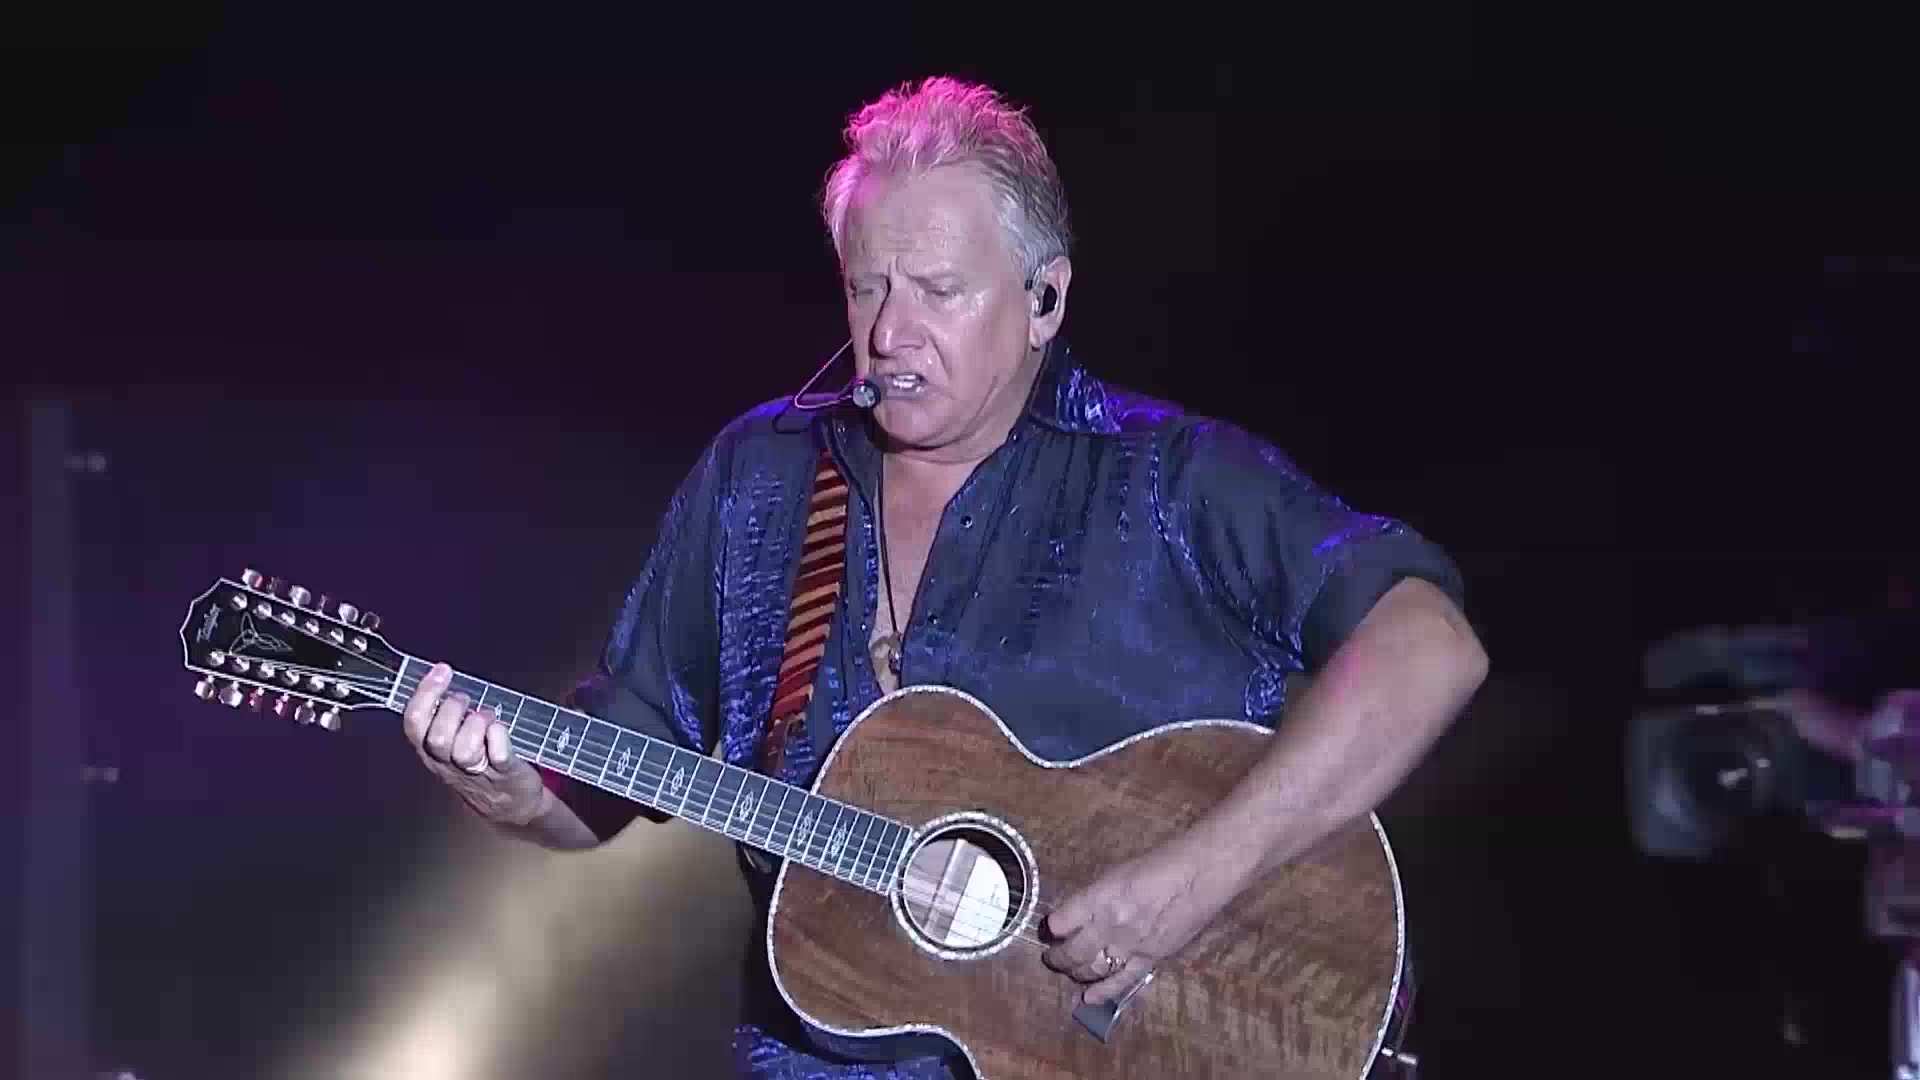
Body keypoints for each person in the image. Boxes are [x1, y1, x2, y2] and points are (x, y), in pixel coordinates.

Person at [400, 76, 1489, 1078]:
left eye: (938, 290)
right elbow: (617, 766)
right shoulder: (760, 477)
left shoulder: (1175, 477)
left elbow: (1429, 647)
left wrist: (1192, 879)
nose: (888, 332)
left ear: (1044, 299)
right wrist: (520, 795)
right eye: (866, 286)